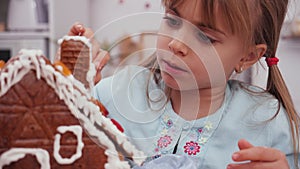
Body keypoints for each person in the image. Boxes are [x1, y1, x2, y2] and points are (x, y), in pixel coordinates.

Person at [66, 0, 300, 168]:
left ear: (248, 56)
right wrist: (68, 88)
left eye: (205, 37)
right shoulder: (113, 94)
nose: (176, 44)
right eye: (173, 21)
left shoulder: (268, 123)